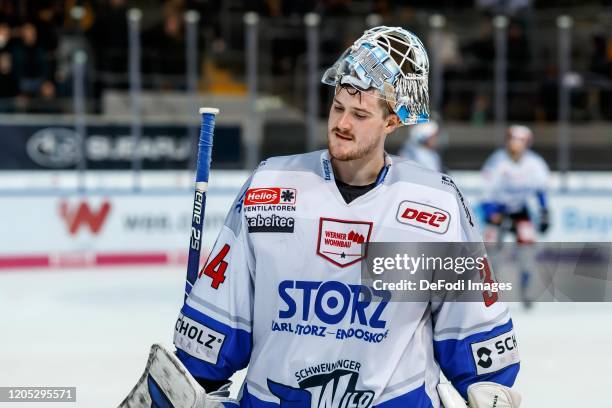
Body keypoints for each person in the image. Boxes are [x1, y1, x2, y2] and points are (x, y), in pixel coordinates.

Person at [125, 26, 521, 408]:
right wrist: (189, 380)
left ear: (393, 120)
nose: (342, 124)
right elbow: (215, 333)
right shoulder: (270, 185)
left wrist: (490, 392)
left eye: (360, 115)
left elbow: (477, 344)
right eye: (337, 107)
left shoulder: (436, 204)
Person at [480, 124, 550, 307]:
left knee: (527, 250)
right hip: (498, 209)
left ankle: (526, 289)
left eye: (520, 141)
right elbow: (486, 192)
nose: (515, 145)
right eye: (512, 140)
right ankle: (490, 291)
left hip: (521, 210)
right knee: (491, 252)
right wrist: (491, 212)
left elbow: (540, 191)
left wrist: (544, 213)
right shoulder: (497, 161)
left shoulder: (535, 163)